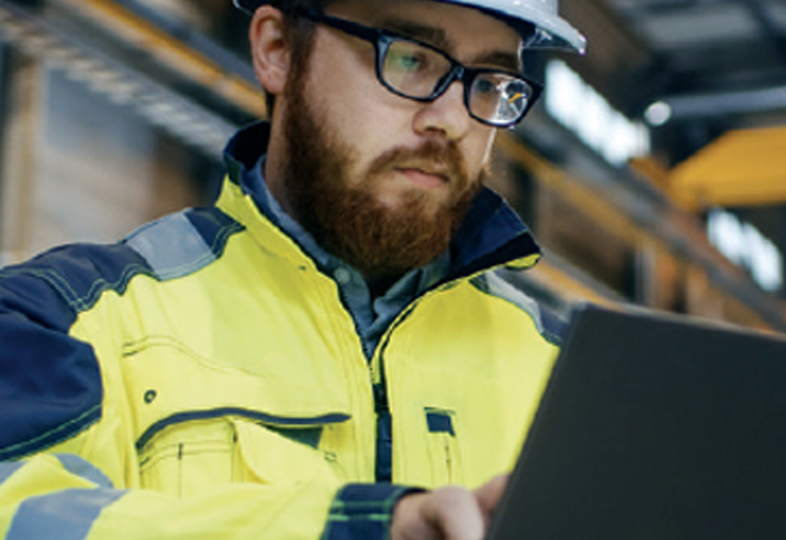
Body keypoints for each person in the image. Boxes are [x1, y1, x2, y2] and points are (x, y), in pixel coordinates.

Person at [0, 0, 585, 538]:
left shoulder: (573, 376)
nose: (454, 122)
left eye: (490, 83)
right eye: (409, 58)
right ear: (277, 50)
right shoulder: (62, 320)